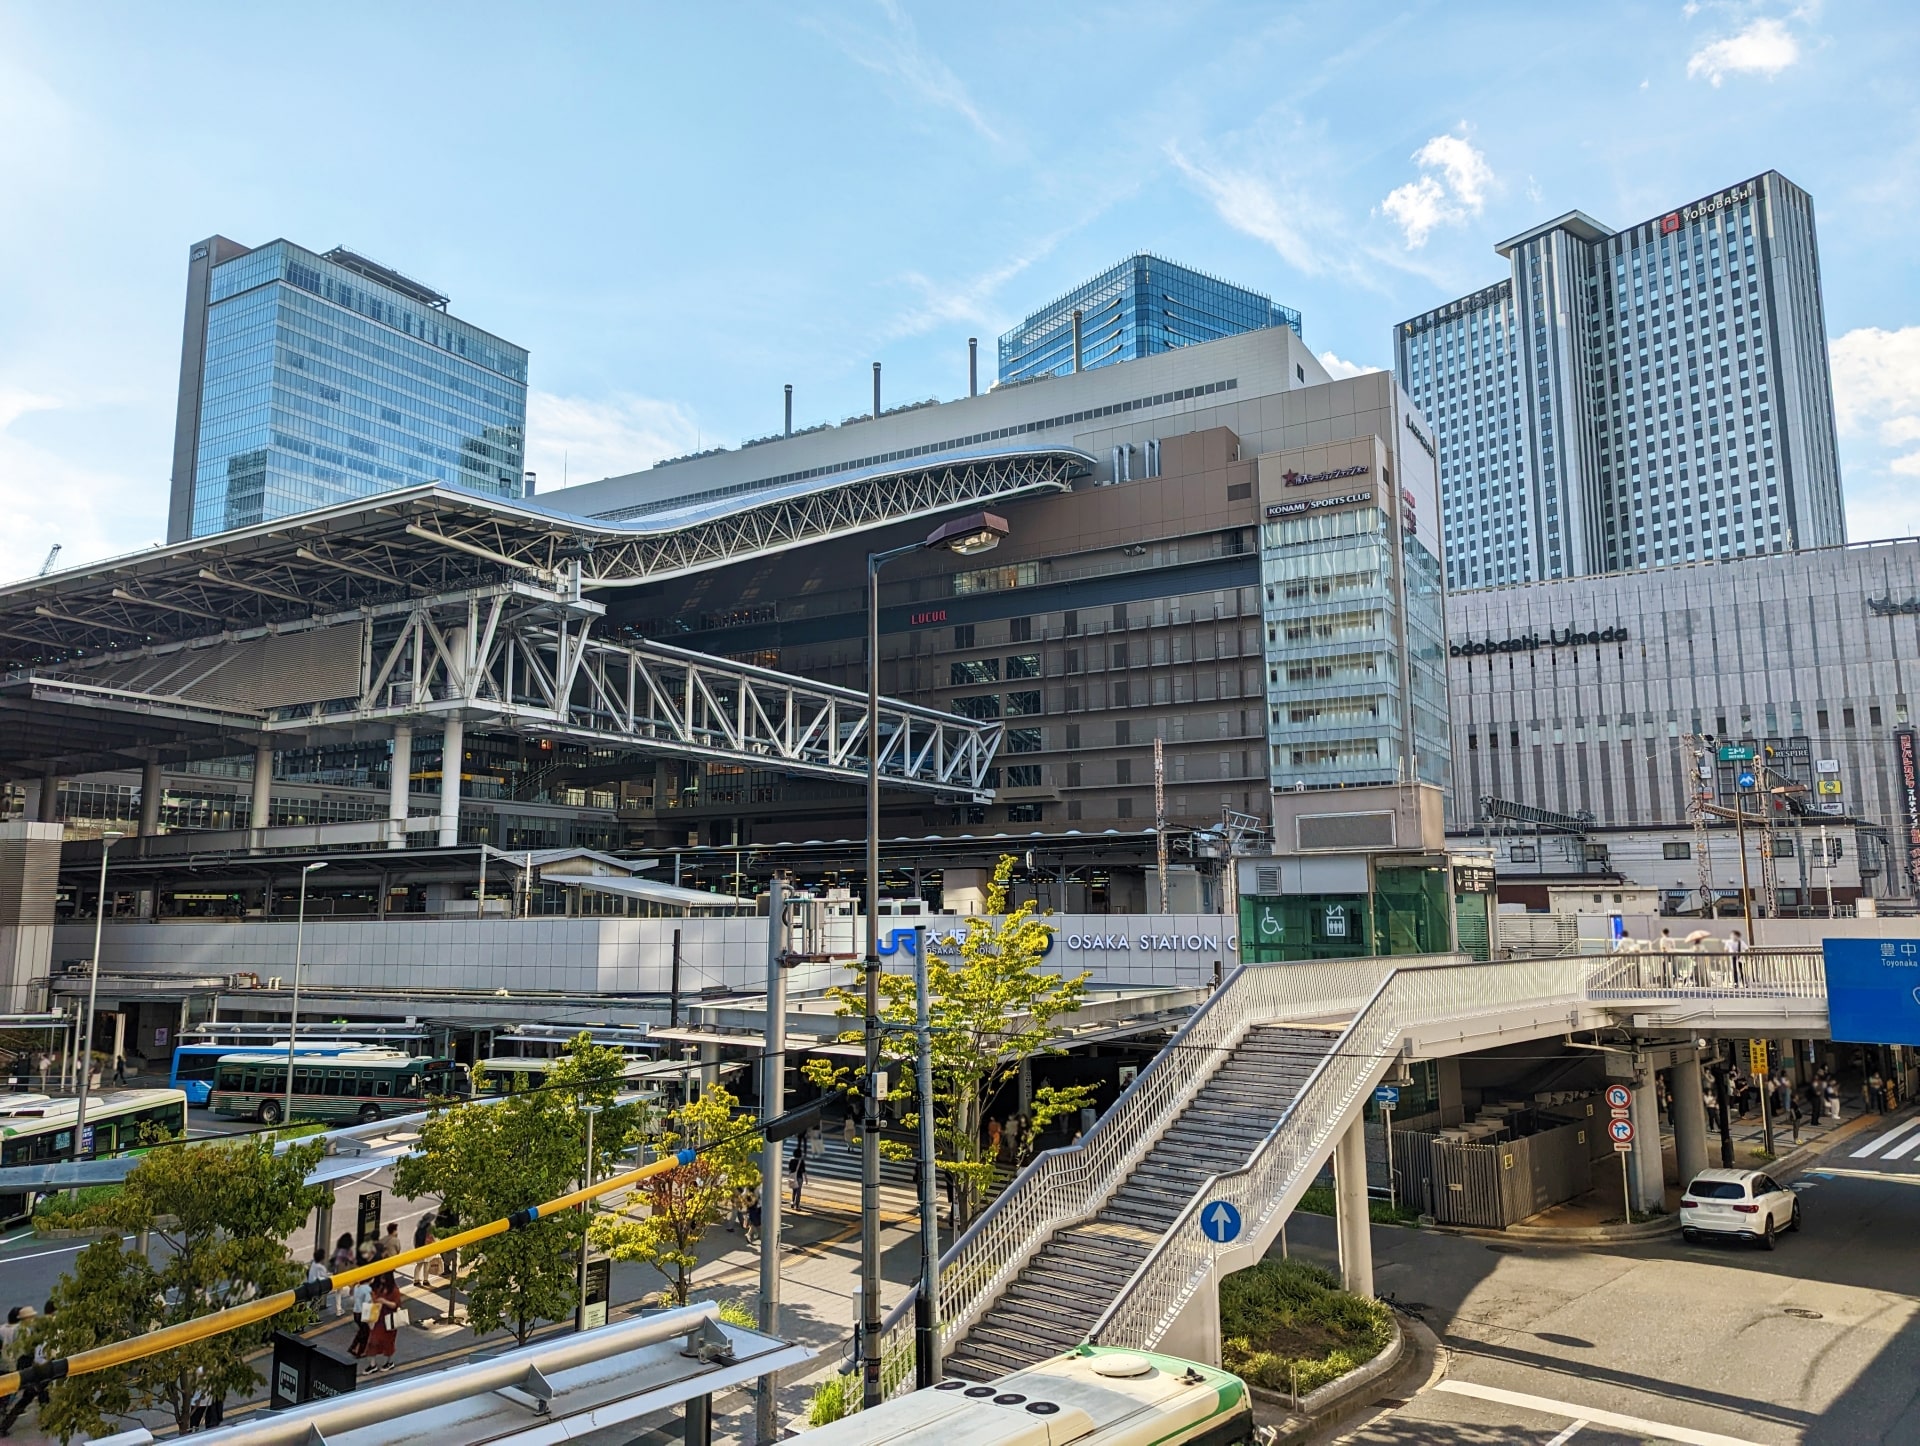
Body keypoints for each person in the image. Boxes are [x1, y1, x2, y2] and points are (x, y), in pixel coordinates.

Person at [356, 1273, 405, 1375]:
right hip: (379, 1318)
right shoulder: (381, 1288)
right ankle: (373, 1365)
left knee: (388, 1342)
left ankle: (388, 1362)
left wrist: (384, 1301)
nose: (382, 1280)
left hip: (388, 1319)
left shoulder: (394, 1290)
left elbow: (395, 1304)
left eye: (384, 1278)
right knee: (373, 1341)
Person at [346, 1278, 374, 1360]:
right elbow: (368, 1302)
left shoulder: (357, 1287)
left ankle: (353, 1347)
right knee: (365, 1333)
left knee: (362, 1331)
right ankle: (360, 1352)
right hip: (363, 1313)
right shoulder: (367, 1289)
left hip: (356, 1311)